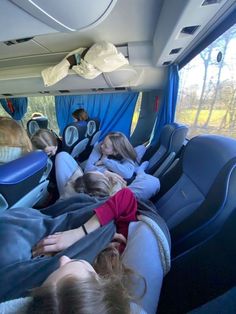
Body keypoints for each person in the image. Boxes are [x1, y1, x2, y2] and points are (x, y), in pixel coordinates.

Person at [0, 188, 171, 313]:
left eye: (56, 270)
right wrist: (79, 232)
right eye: (77, 262)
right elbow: (125, 197)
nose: (64, 258)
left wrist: (81, 234)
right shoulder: (120, 251)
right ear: (104, 285)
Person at [55, 151, 160, 201]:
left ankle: (140, 173)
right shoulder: (118, 197)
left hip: (79, 193)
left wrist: (105, 165)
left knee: (62, 156)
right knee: (62, 156)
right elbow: (153, 182)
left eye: (106, 146)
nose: (101, 147)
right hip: (103, 192)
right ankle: (141, 173)